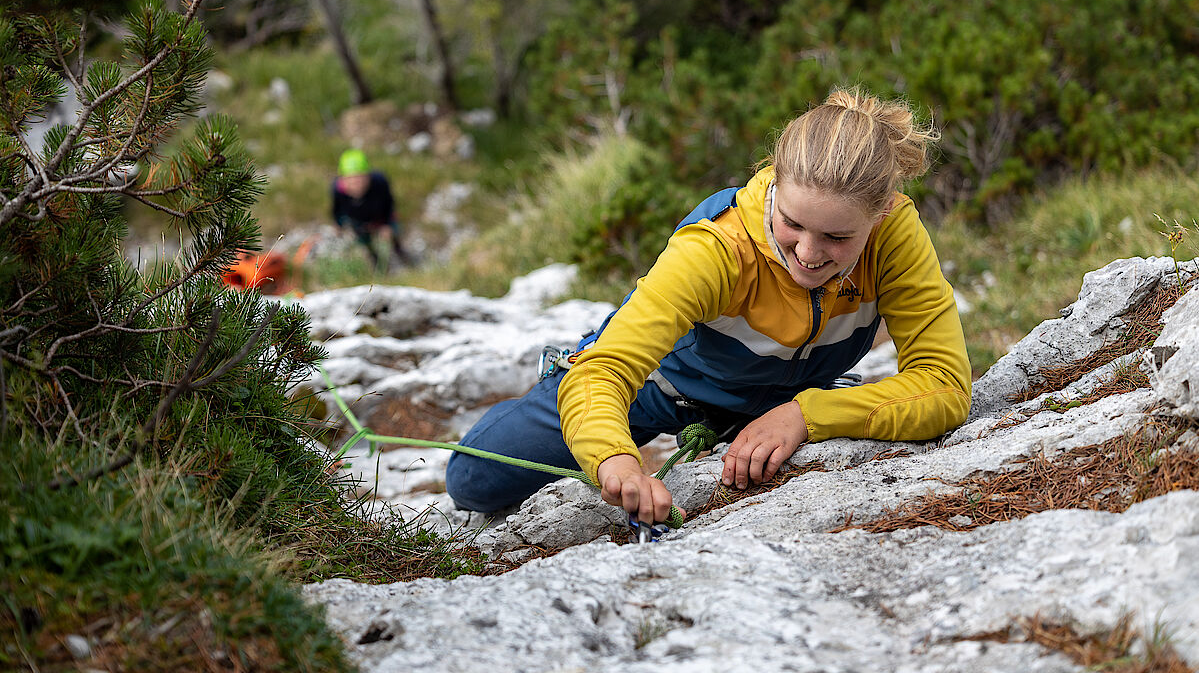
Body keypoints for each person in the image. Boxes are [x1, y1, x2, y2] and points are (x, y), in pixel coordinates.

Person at [445, 87, 971, 528]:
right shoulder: (717, 248)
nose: (808, 254)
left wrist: (805, 416)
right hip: (662, 386)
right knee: (473, 479)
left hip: (781, 400)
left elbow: (945, 384)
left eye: (837, 236)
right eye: (792, 223)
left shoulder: (894, 235)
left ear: (880, 213)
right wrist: (616, 460)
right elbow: (605, 371)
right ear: (774, 182)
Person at [331, 149, 411, 270]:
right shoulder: (337, 190)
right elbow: (337, 210)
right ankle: (377, 263)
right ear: (343, 180)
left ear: (368, 176)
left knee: (394, 236)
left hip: (381, 218)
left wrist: (388, 225)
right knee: (365, 242)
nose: (356, 185)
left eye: (360, 178)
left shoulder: (379, 182)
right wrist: (339, 224)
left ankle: (400, 253)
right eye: (351, 180)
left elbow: (389, 203)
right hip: (359, 223)